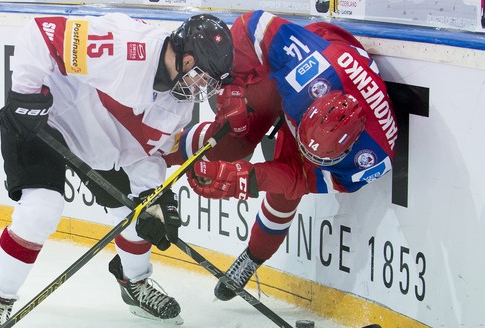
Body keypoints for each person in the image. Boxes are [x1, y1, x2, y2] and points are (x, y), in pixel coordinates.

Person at [0, 12, 233, 328]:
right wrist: (26, 93)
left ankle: (134, 282)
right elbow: (41, 32)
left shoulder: (179, 105)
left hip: (100, 144)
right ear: (186, 59)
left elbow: (147, 154)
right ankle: (0, 300)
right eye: (202, 77)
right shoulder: (125, 45)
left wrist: (151, 196)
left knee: (138, 212)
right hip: (45, 120)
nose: (201, 89)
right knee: (42, 210)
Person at [165, 10, 397, 301]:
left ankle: (253, 256)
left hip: (320, 109)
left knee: (284, 194)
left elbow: (295, 179)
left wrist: (245, 179)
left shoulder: (372, 160)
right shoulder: (309, 70)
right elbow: (249, 25)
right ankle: (157, 152)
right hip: (301, 79)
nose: (298, 149)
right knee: (234, 140)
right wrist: (232, 83)